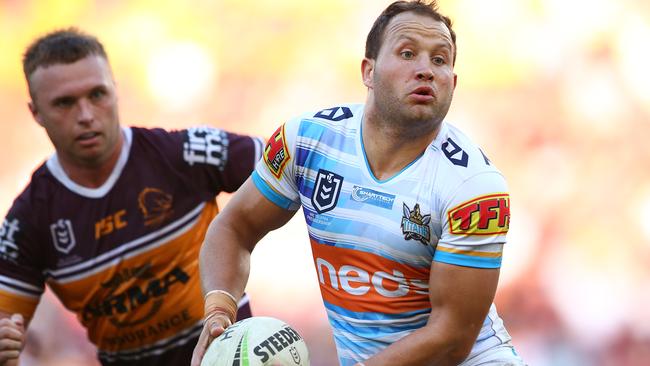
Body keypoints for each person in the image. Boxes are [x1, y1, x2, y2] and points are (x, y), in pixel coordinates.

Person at [192, 0, 526, 365]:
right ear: (368, 71)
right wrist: (219, 312)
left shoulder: (474, 187)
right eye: (408, 53)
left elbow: (451, 339)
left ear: (453, 83)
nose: (426, 70)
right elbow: (235, 227)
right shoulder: (306, 141)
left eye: (439, 60)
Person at [0, 28, 264, 366]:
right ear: (36, 112)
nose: (86, 115)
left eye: (97, 94)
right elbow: (7, 322)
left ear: (115, 90)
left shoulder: (186, 154)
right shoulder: (28, 221)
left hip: (231, 354)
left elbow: (292, 165)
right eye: (65, 103)